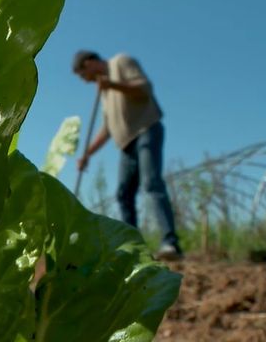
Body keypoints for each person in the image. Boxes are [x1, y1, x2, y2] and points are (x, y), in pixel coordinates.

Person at [72, 50, 184, 260]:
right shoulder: (103, 91)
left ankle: (170, 243)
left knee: (151, 184)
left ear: (89, 63)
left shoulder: (121, 62)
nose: (84, 81)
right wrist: (87, 154)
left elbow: (144, 89)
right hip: (125, 143)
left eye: (82, 74)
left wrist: (113, 85)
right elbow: (107, 128)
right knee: (123, 195)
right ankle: (133, 249)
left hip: (146, 130)